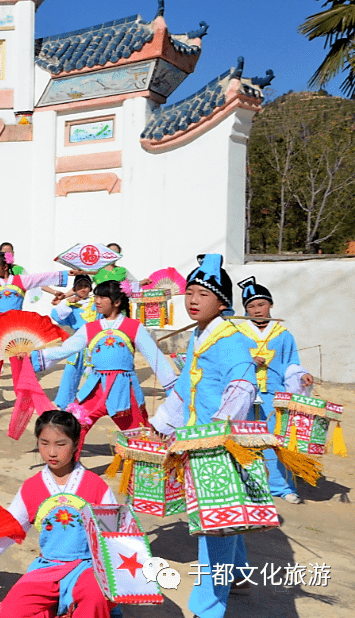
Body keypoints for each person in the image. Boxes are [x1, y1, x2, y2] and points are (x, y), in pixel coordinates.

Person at [150, 254, 257, 618]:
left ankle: (208, 610)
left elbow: (242, 388)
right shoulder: (199, 335)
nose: (192, 300)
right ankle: (240, 574)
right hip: (197, 440)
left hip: (218, 446)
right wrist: (163, 423)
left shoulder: (232, 342)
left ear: (223, 302)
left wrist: (217, 434)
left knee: (213, 531)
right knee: (220, 520)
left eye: (202, 294)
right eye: (189, 293)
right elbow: (184, 386)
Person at [0, 410, 117, 617]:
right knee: (10, 612)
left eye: (60, 444)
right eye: (44, 443)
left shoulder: (96, 486)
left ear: (77, 443)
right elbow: (8, 529)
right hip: (47, 568)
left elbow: (115, 535)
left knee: (96, 597)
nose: (52, 452)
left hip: (88, 568)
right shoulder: (31, 488)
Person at [32, 280, 177, 456]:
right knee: (75, 427)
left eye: (102, 297)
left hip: (125, 391)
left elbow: (156, 358)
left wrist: (174, 390)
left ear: (116, 302)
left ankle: (144, 475)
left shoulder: (134, 327)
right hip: (95, 388)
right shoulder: (89, 328)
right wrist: (32, 358)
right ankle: (68, 471)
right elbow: (65, 349)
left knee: (138, 435)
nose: (97, 301)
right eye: (96, 297)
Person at [0, 252, 71, 415]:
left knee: (20, 364)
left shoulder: (21, 281)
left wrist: (66, 274)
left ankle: (23, 400)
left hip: (16, 329)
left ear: (5, 266)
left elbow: (40, 278)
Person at [235, 276, 313, 504]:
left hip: (274, 395)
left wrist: (302, 375)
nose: (257, 310)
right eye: (251, 306)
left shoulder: (283, 335)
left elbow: (292, 364)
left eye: (261, 304)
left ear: (270, 305)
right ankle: (249, 487)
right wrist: (247, 361)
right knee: (245, 440)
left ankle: (282, 487)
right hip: (245, 394)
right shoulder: (236, 333)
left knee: (277, 440)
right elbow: (229, 361)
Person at [49, 275, 96, 409]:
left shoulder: (95, 302)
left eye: (86, 286)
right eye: (79, 286)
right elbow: (57, 315)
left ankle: (93, 403)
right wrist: (66, 302)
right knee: (71, 372)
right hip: (77, 343)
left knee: (95, 374)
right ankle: (63, 403)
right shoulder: (71, 305)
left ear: (90, 288)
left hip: (95, 344)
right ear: (74, 288)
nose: (82, 289)